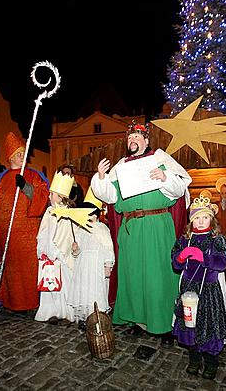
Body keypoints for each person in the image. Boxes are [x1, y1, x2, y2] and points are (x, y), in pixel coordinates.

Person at [91, 120, 191, 343]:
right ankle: (137, 319)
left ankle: (164, 322)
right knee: (133, 274)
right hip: (131, 228)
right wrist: (100, 177)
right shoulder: (121, 165)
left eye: (137, 137)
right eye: (130, 138)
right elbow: (110, 197)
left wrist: (165, 178)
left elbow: (179, 189)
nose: (132, 140)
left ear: (146, 140)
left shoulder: (160, 159)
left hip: (157, 225)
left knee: (159, 275)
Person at [0, 132, 49, 312]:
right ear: (10, 156)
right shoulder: (0, 179)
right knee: (11, 271)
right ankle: (13, 304)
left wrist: (26, 187)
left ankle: (33, 303)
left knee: (29, 269)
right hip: (8, 235)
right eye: (19, 154)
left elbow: (43, 198)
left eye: (24, 154)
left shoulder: (34, 175)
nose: (22, 157)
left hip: (29, 233)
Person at [172, 196, 226, 380]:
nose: (200, 221)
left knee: (209, 328)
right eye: (196, 218)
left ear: (211, 219)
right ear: (191, 221)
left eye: (204, 217)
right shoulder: (185, 239)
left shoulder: (217, 239)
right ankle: (194, 359)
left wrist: (204, 257)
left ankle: (211, 363)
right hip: (189, 291)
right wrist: (180, 258)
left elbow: (222, 263)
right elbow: (175, 262)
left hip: (209, 291)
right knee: (191, 327)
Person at [68, 188, 115, 331]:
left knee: (95, 290)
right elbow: (77, 252)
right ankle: (84, 317)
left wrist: (108, 264)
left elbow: (108, 247)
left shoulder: (102, 229)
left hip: (96, 266)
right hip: (83, 266)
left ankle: (96, 316)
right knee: (83, 290)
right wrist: (75, 249)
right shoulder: (80, 230)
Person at [35, 171, 77, 324]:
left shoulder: (67, 213)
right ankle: (51, 311)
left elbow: (66, 235)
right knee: (50, 285)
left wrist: (57, 251)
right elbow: (43, 231)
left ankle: (65, 312)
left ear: (60, 196)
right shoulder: (48, 211)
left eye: (51, 193)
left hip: (61, 256)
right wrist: (42, 249)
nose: (49, 196)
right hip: (49, 254)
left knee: (64, 285)